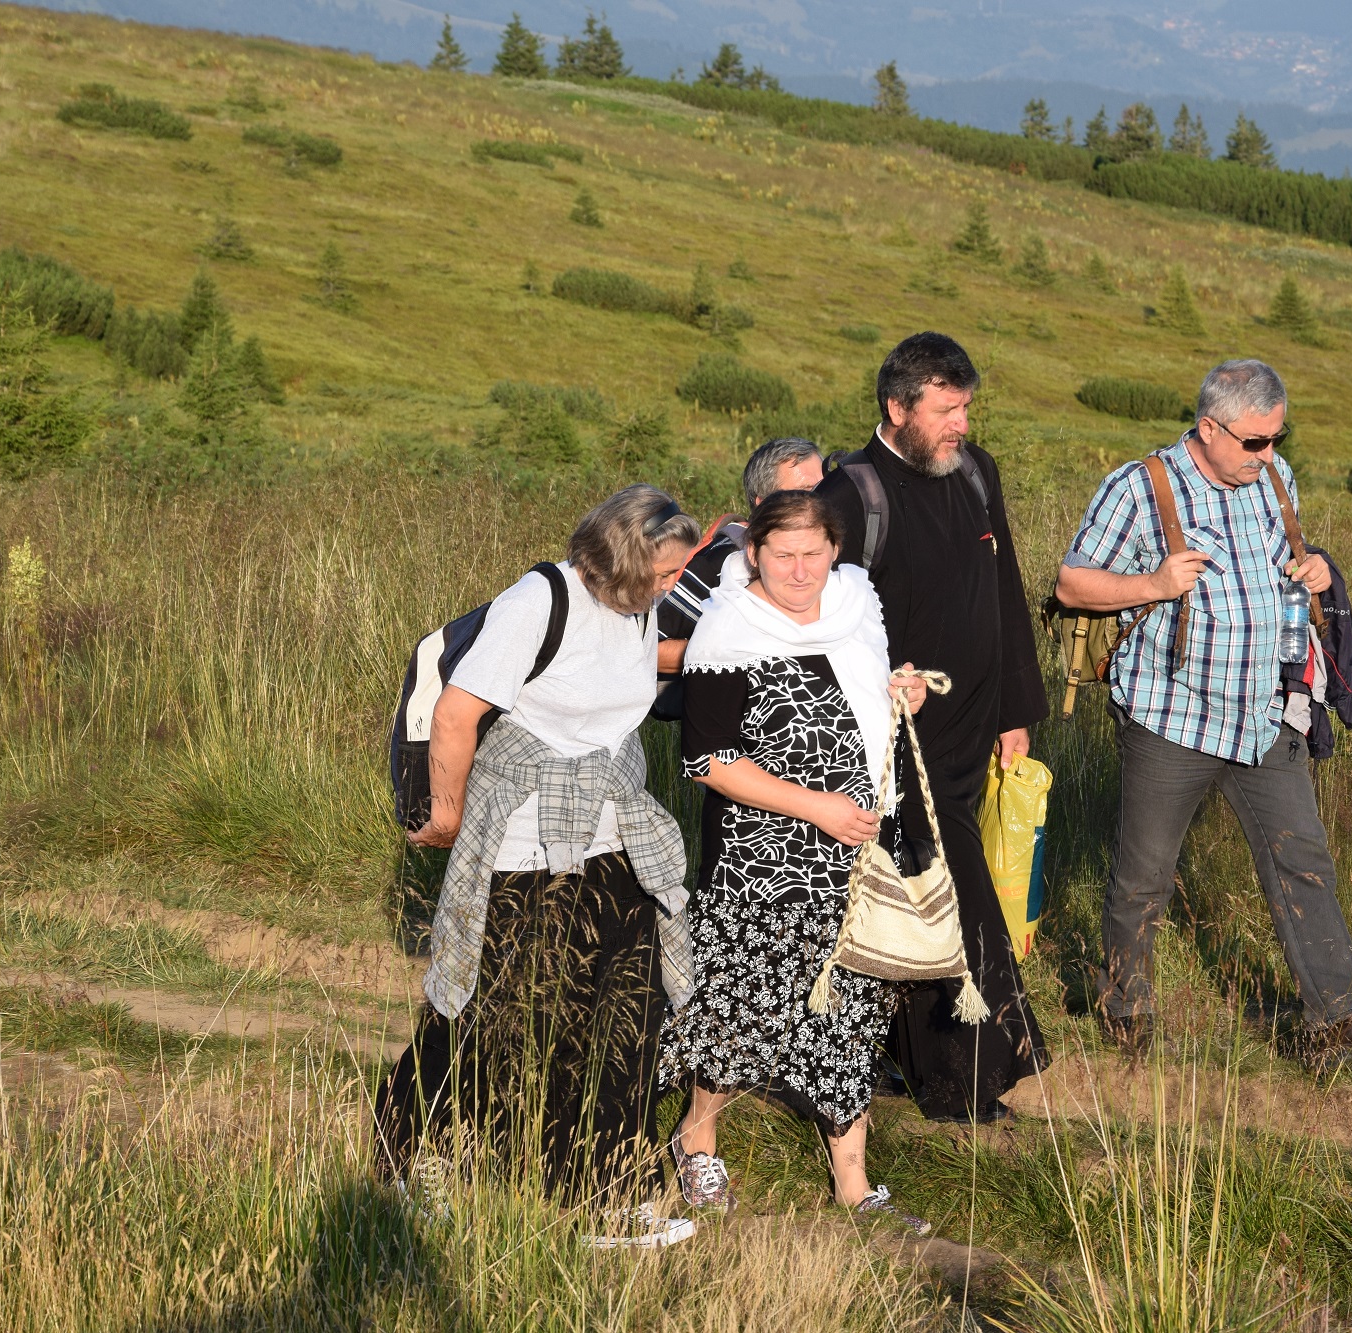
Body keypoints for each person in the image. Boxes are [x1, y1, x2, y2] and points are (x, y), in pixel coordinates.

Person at [1053, 359, 1352, 1075]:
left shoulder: (1275, 482)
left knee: (1303, 862)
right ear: (1209, 427)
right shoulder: (1141, 488)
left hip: (1265, 715)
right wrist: (1152, 584)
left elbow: (1287, 559)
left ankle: (1339, 1025)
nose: (1269, 455)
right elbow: (1072, 582)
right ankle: (1126, 1009)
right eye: (1255, 442)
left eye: (1277, 439)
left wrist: (1314, 567)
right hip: (1172, 716)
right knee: (1144, 874)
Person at [374, 485, 703, 1249]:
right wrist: (447, 813)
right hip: (523, 839)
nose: (674, 585)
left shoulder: (641, 605)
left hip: (611, 829)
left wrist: (728, 647)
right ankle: (414, 1148)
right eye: (664, 572)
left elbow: (622, 668)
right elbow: (458, 711)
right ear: (621, 557)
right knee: (501, 1013)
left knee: (625, 1011)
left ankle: (603, 1189)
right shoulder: (539, 599)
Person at [660, 491, 935, 1233]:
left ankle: (855, 1184)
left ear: (834, 551)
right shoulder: (727, 629)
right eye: (783, 553)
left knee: (849, 1015)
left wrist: (899, 690)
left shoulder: (855, 604)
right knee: (740, 1010)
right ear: (754, 553)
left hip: (856, 857)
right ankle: (697, 1139)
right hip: (762, 864)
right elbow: (708, 761)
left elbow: (860, 700)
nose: (800, 568)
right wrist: (815, 805)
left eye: (814, 551)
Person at [816, 332, 1050, 1124]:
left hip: (974, 724)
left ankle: (920, 1064)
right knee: (946, 885)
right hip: (894, 738)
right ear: (897, 407)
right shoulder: (850, 493)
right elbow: (814, 618)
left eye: (966, 407)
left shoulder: (976, 474)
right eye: (946, 410)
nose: (961, 424)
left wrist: (1016, 708)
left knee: (921, 883)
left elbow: (1004, 587)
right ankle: (976, 1074)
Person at [655, 436, 825, 677]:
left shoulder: (828, 555)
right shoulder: (720, 560)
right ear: (764, 504)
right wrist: (737, 650)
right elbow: (651, 651)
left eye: (825, 488)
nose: (821, 502)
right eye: (806, 493)